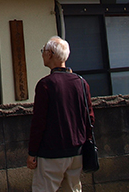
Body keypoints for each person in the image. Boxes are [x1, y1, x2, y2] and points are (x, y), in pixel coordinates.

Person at [27, 36, 94, 192]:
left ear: (50, 54)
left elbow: (39, 122)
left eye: (43, 51)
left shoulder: (45, 84)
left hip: (51, 153)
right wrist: (86, 141)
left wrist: (32, 152)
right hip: (77, 151)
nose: (42, 54)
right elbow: (89, 118)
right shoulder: (81, 82)